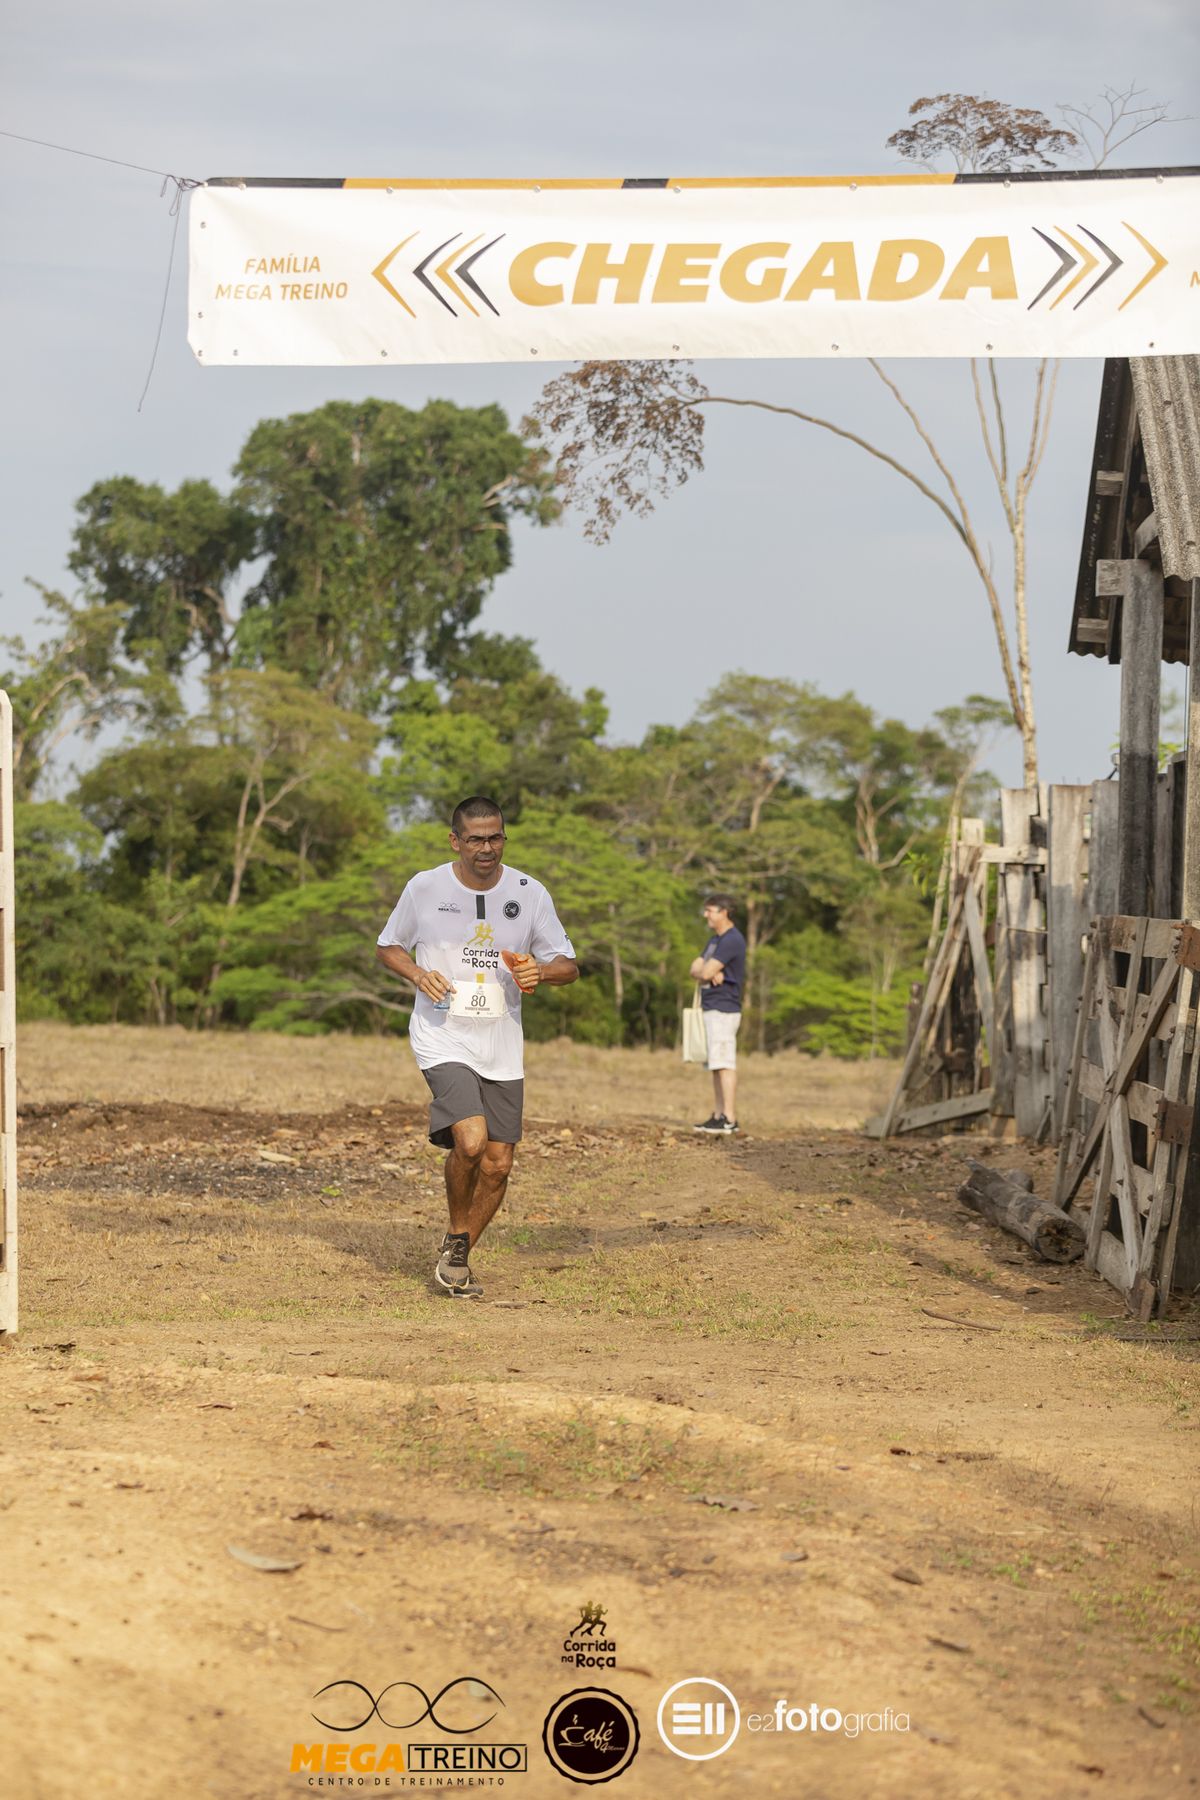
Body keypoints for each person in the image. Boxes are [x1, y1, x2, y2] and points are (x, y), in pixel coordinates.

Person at [375, 796, 578, 1298]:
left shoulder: (530, 892)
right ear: (455, 841)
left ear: (504, 838)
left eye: (495, 838)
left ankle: (458, 1248)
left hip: (501, 1040)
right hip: (442, 1032)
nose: (486, 848)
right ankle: (457, 1235)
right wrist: (418, 974)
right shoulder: (425, 887)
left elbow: (568, 965)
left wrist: (540, 971)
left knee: (498, 1163)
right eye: (475, 839)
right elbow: (388, 945)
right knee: (469, 1141)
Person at [689, 893, 746, 1135]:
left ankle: (729, 1118)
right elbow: (695, 969)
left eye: (710, 910)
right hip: (711, 1006)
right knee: (715, 1064)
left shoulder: (732, 939)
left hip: (724, 1008)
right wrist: (708, 971)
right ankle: (718, 1115)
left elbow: (704, 972)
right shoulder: (715, 940)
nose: (706, 915)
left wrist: (707, 971)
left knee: (724, 1063)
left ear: (724, 912)